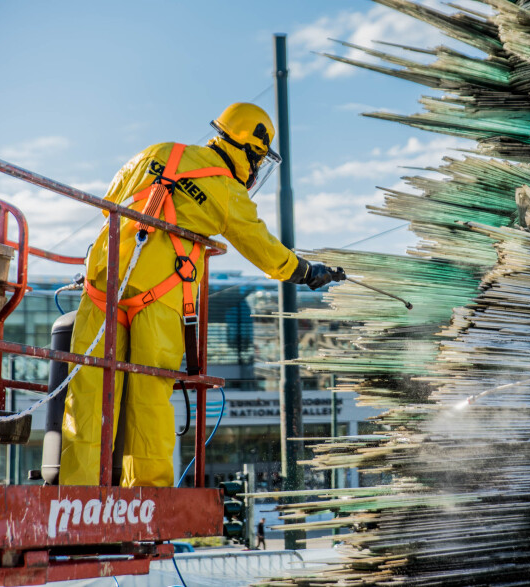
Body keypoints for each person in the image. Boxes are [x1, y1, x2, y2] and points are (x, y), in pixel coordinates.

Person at [60, 103, 344, 487]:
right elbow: (265, 250)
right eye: (258, 159)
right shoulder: (227, 192)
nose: (256, 169)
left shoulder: (158, 153)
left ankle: (75, 501)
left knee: (88, 399)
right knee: (148, 401)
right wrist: (308, 272)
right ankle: (147, 505)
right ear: (249, 151)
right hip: (157, 303)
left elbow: (115, 197)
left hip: (101, 291)